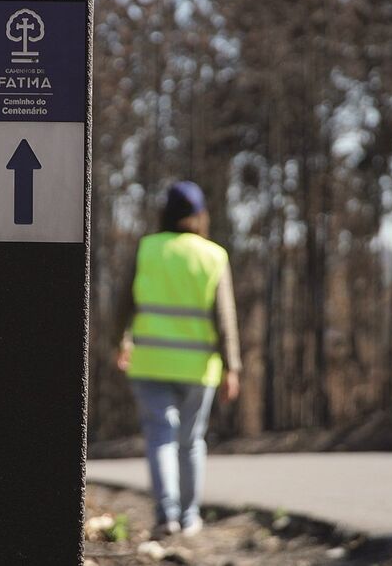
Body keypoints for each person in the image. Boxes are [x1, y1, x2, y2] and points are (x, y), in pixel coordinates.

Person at [114, 180, 241, 538]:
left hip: (150, 362)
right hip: (199, 369)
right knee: (191, 441)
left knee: (160, 439)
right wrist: (233, 366)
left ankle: (165, 516)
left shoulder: (147, 249)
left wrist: (119, 340)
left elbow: (123, 303)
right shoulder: (213, 255)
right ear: (200, 216)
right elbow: (225, 318)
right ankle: (189, 518)